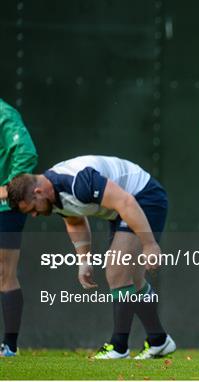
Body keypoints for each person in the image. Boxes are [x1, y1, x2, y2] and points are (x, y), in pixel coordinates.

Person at [7, 155, 176, 359]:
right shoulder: (52, 196)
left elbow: (126, 201)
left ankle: (119, 346)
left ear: (38, 192)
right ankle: (159, 340)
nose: (34, 215)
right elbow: (75, 221)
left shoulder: (78, 182)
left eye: (33, 209)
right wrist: (84, 261)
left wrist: (150, 244)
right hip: (121, 208)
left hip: (143, 197)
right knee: (134, 281)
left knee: (116, 271)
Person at [0, 99, 38, 357]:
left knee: (4, 273)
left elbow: (26, 151)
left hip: (5, 208)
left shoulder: (3, 113)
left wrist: (8, 189)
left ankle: (9, 347)